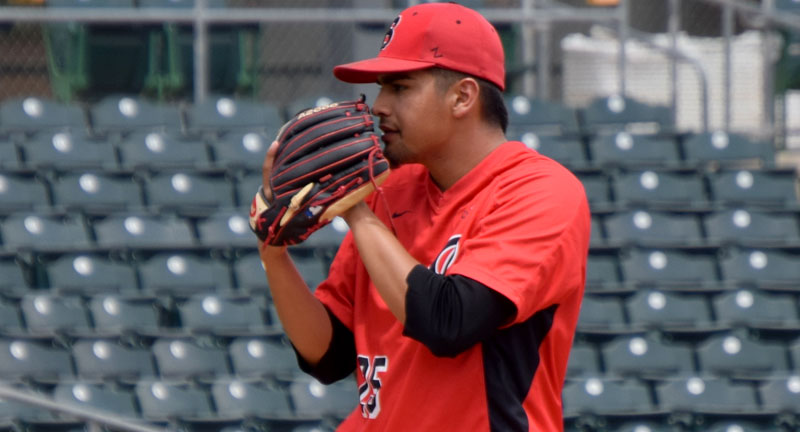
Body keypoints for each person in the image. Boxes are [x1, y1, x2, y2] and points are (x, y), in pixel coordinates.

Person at [258, 3, 591, 431]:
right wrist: (273, 254)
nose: (379, 105)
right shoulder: (391, 190)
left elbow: (447, 322)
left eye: (400, 87)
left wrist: (355, 210)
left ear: (462, 97)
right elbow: (328, 355)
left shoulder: (540, 191)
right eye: (382, 87)